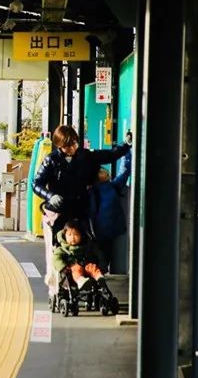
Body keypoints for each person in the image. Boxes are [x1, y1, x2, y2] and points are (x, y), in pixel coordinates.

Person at [33, 124, 130, 295]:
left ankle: (87, 279)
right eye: (67, 146)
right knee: (58, 246)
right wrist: (49, 196)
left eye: (74, 144)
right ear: (59, 146)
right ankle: (58, 285)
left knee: (87, 243)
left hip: (81, 208)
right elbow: (36, 183)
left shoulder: (85, 156)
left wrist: (126, 145)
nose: (71, 149)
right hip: (58, 210)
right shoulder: (51, 160)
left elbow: (109, 155)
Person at [89, 134, 132, 272]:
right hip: (107, 230)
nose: (105, 171)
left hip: (103, 230)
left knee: (104, 256)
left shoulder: (99, 189)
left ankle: (100, 273)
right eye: (101, 171)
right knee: (103, 256)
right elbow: (124, 173)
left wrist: (127, 151)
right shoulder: (102, 189)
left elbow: (124, 172)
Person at [53, 218, 115, 306]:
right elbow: (56, 258)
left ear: (81, 236)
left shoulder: (87, 245)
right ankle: (81, 281)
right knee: (77, 269)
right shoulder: (62, 249)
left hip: (86, 264)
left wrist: (102, 265)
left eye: (76, 234)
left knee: (93, 267)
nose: (73, 238)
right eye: (69, 235)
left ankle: (99, 277)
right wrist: (62, 267)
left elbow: (99, 254)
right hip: (73, 268)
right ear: (64, 236)